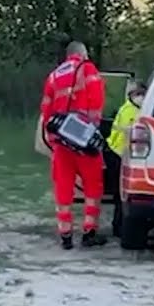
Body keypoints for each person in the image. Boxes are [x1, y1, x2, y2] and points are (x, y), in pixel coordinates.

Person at [40, 41, 107, 249]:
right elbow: (97, 99)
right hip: (84, 140)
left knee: (63, 187)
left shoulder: (54, 75)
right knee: (93, 186)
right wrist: (92, 129)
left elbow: (46, 110)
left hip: (62, 141)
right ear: (83, 54)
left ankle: (65, 235)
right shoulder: (88, 70)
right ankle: (89, 232)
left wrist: (53, 140)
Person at [105, 79, 145, 237]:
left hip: (120, 154)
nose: (142, 98)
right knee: (121, 195)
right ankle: (118, 228)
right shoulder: (131, 111)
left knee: (120, 196)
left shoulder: (130, 108)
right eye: (140, 95)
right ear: (134, 95)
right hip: (119, 155)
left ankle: (118, 226)